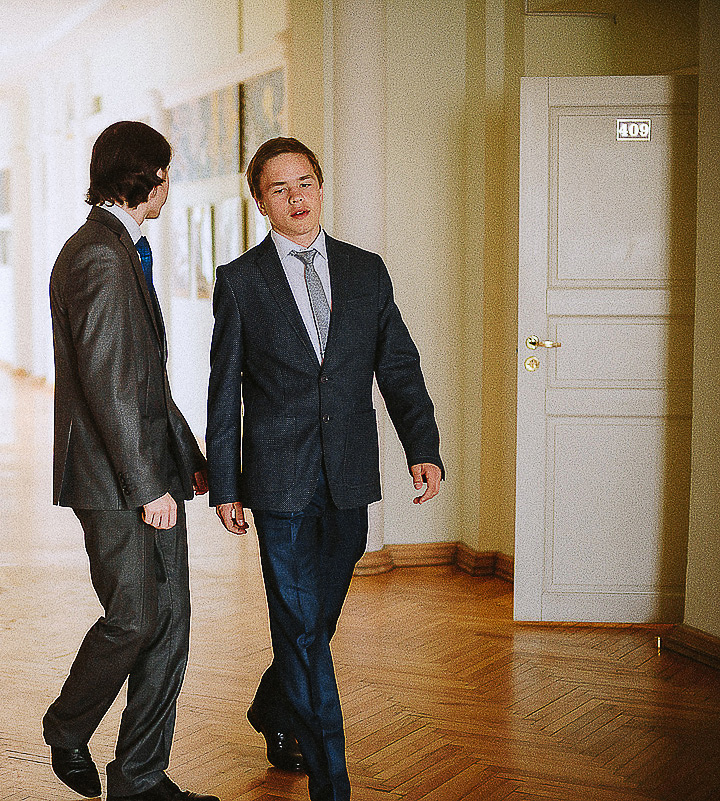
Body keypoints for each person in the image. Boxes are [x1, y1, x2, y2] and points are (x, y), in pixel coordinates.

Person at [206, 137, 443, 801]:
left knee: (315, 622)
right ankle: (332, 784)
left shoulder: (365, 271)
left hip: (347, 476)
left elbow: (397, 365)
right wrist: (226, 481)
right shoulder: (241, 280)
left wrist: (421, 445)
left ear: (320, 185)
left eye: (305, 182)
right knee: (306, 629)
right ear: (261, 202)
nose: (297, 198)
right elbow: (223, 388)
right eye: (280, 189)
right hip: (277, 483)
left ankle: (274, 708)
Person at [43, 121, 214, 801]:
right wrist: (147, 485)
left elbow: (144, 378)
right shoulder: (100, 255)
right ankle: (65, 725)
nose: (171, 185)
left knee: (169, 624)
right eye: (167, 172)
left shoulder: (118, 247)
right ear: (147, 176)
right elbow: (110, 384)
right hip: (116, 480)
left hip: (147, 468)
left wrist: (184, 456)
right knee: (136, 618)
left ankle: (140, 779)